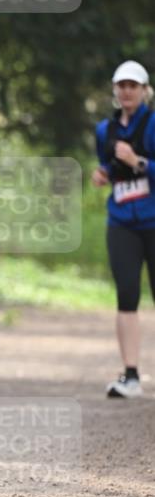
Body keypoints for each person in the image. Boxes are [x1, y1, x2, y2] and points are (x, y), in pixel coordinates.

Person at [92, 60, 155, 398]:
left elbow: (137, 166)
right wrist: (102, 175)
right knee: (126, 294)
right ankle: (130, 375)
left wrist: (138, 162)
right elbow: (107, 167)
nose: (127, 91)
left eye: (134, 85)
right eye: (122, 85)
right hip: (121, 223)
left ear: (145, 91)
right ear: (115, 90)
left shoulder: (153, 124)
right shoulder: (105, 130)